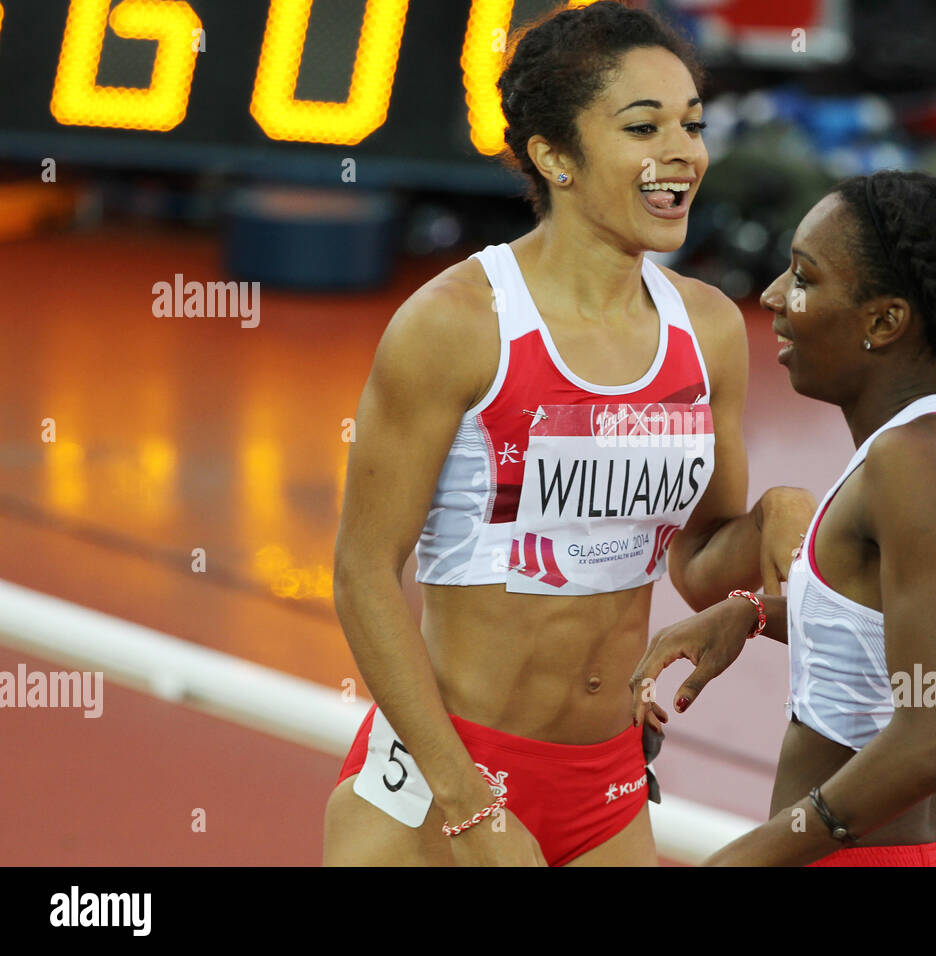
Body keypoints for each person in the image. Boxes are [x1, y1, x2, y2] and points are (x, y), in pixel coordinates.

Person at [323, 0, 813, 867]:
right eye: (643, 126)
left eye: (693, 125)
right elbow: (362, 572)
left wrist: (778, 515)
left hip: (606, 790)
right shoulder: (456, 324)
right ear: (554, 157)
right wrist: (469, 804)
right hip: (447, 783)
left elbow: (699, 562)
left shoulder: (707, 331)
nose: (682, 153)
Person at [630, 170, 936, 866]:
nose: (772, 295)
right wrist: (754, 611)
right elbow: (905, 622)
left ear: (886, 320)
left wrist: (745, 858)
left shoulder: (909, 466)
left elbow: (933, 740)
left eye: (803, 277)